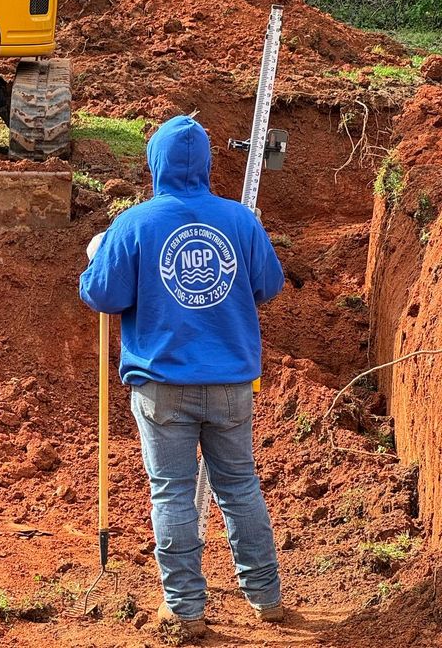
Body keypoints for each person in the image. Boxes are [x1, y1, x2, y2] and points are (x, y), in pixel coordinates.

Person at [79, 115, 285, 638]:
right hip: (231, 384)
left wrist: (97, 256)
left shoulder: (134, 223)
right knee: (239, 487)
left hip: (161, 386)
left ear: (154, 164)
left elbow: (104, 296)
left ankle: (186, 608)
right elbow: (268, 285)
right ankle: (266, 597)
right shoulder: (240, 222)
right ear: (209, 164)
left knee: (171, 493)